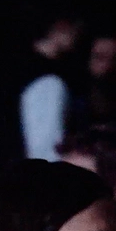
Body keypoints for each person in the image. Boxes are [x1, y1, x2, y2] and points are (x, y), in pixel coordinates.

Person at [18, 11, 83, 163]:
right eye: (77, 30)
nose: (79, 38)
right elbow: (46, 151)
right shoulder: (48, 80)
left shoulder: (20, 67)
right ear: (62, 26)